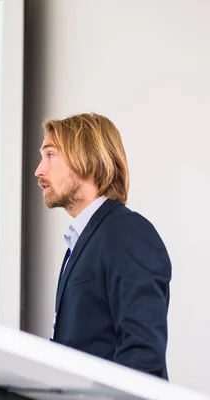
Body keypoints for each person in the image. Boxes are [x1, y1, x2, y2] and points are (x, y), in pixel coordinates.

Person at [34, 113, 171, 379]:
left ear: (86, 158)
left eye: (50, 155)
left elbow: (143, 356)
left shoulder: (127, 232)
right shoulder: (82, 242)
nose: (39, 170)